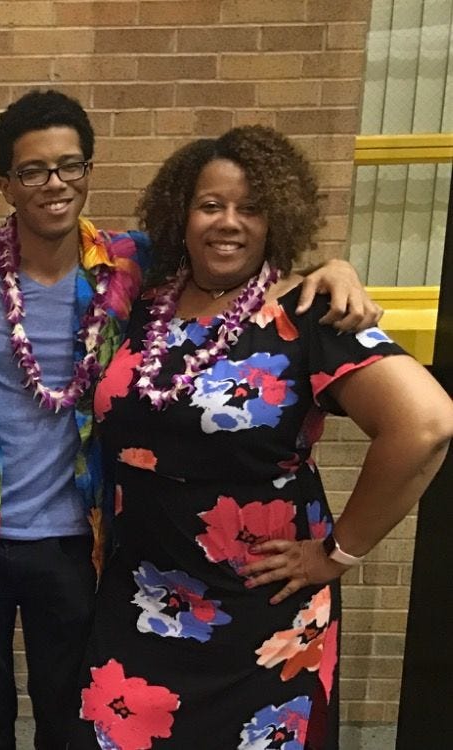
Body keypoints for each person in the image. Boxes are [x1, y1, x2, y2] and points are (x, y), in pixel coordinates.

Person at [0, 91, 383, 749]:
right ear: (5, 184)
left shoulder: (132, 265)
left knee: (68, 718)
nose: (55, 183)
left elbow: (238, 259)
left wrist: (331, 269)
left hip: (80, 538)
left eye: (70, 166)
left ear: (89, 172)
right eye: (35, 170)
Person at [71, 125, 453, 748]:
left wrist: (338, 554)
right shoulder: (145, 305)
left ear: (277, 218)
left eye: (251, 208)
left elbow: (427, 424)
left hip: (260, 613)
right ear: (181, 214)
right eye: (211, 204)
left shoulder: (307, 314)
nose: (229, 222)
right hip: (139, 601)